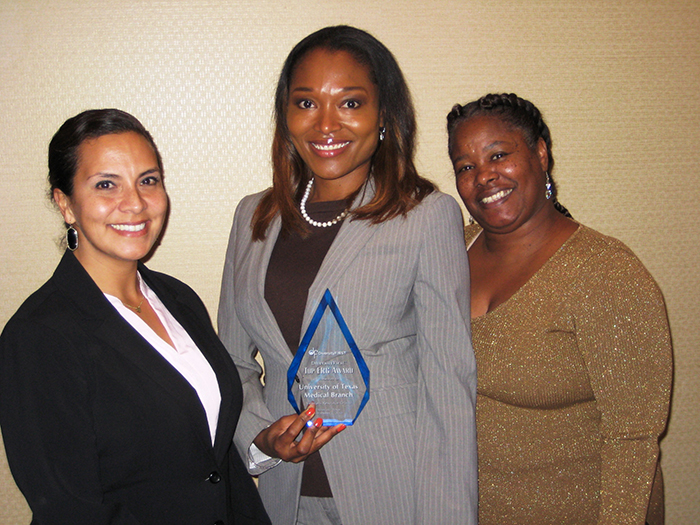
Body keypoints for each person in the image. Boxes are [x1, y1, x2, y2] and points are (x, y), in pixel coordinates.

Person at [218, 25, 477, 525]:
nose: (325, 124)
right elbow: (232, 361)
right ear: (286, 116)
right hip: (285, 497)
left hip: (395, 493)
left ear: (384, 115)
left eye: (351, 103)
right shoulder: (253, 217)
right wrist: (261, 436)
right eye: (306, 103)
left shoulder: (426, 215)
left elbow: (448, 386)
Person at [0, 109, 270, 524]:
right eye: (106, 185)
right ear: (65, 203)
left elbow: (215, 460)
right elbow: (69, 509)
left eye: (148, 180)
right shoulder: (38, 336)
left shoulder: (178, 299)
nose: (135, 203)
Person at [446, 93, 673, 525]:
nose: (484, 176)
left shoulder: (605, 271)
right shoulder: (453, 249)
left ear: (540, 153)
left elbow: (633, 437)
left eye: (499, 155)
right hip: (465, 510)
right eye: (465, 167)